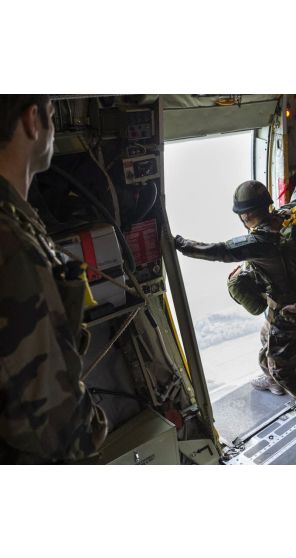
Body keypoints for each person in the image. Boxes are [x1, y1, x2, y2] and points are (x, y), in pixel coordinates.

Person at [175, 174, 296, 443]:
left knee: (282, 368)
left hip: (290, 308)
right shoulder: (286, 215)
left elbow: (220, 251)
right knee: (266, 338)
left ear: (245, 215)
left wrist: (178, 243)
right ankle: (272, 379)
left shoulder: (260, 242)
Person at [0, 95, 108, 463]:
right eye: (50, 114)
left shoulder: (16, 219)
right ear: (32, 121)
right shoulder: (13, 247)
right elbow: (64, 436)